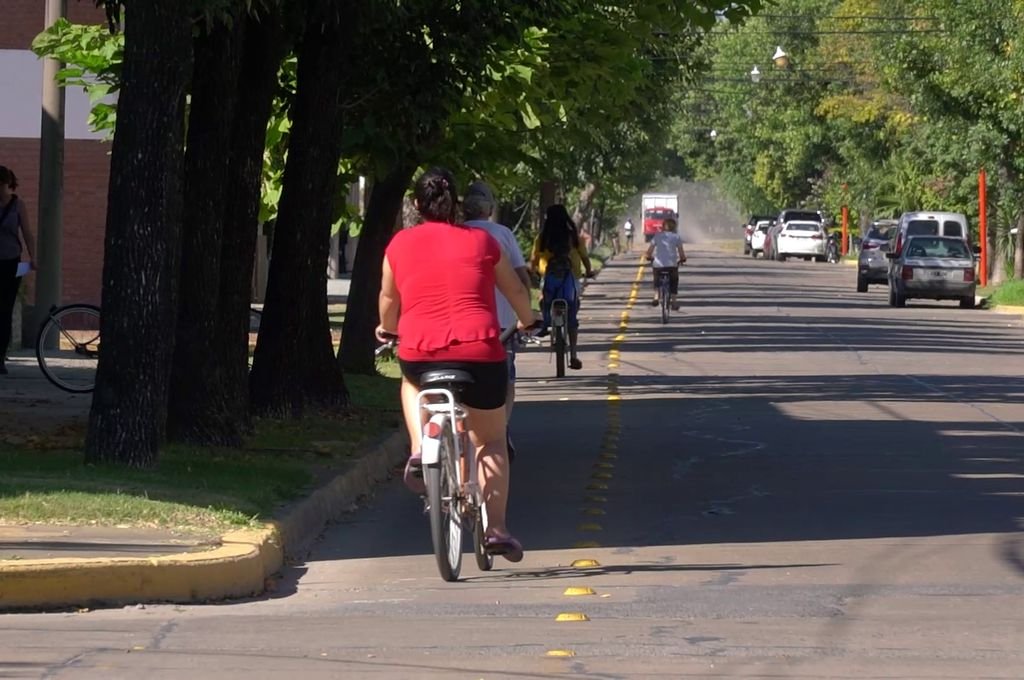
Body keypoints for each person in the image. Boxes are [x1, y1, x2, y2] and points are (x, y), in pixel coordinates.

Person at [376, 167, 535, 561]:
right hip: (480, 353)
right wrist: (529, 319)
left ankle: (418, 450)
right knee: (491, 440)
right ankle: (496, 529)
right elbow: (514, 288)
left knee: (411, 383)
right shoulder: (482, 241)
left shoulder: (399, 244)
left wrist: (386, 327)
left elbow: (388, 299)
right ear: (457, 205)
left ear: (417, 205)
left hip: (420, 352)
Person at [462, 180, 531, 462]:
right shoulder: (502, 234)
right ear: (489, 209)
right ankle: (500, 430)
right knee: (506, 379)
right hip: (501, 323)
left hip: (462, 323)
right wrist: (528, 309)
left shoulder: (455, 233)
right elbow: (520, 276)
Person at [530, 204, 594, 370]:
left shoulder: (542, 238)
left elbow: (534, 259)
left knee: (544, 300)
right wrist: (589, 271)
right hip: (570, 278)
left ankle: (545, 324)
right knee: (572, 313)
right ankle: (573, 354)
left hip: (549, 277)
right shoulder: (573, 237)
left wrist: (533, 273)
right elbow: (585, 257)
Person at [0, 166, 35, 375]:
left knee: (5, 309)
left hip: (13, 262)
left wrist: (34, 257)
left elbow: (27, 233)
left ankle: (0, 356)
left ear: (7, 184)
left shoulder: (18, 205)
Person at [644, 216, 686, 310]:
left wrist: (648, 257)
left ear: (663, 226)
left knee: (656, 278)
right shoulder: (676, 237)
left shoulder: (657, 236)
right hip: (671, 265)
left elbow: (649, 252)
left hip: (658, 265)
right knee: (674, 280)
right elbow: (681, 253)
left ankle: (656, 296)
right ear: (674, 227)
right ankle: (674, 302)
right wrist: (682, 259)